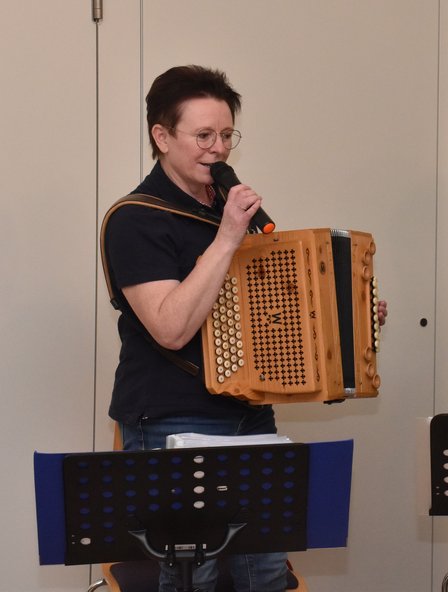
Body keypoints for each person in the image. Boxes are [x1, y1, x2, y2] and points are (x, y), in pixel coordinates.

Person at [103, 65, 385, 592]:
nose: (219, 149)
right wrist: (229, 236)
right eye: (203, 136)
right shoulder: (135, 219)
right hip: (169, 417)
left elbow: (267, 316)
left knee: (266, 571)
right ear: (161, 137)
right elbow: (170, 327)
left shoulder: (231, 213)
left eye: (227, 135)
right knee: (194, 574)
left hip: (249, 411)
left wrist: (348, 314)